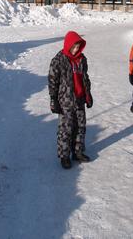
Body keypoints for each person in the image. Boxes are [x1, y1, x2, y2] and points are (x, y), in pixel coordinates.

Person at [48, 31, 93, 169]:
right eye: (74, 47)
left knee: (80, 127)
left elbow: (85, 78)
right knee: (65, 129)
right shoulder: (58, 60)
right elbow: (52, 81)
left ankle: (77, 152)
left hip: (79, 99)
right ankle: (64, 156)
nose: (76, 49)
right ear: (68, 45)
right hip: (65, 101)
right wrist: (53, 99)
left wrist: (88, 95)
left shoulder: (82, 59)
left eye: (78, 47)